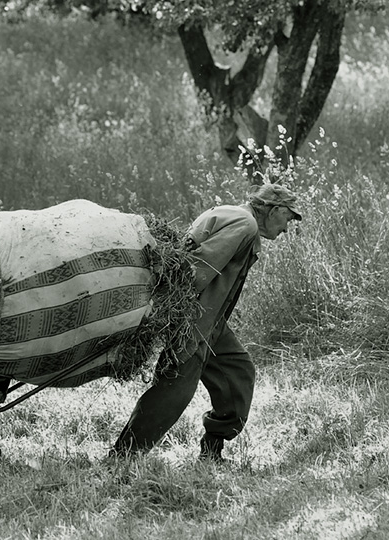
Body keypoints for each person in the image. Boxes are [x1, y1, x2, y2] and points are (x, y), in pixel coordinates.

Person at [110, 183, 302, 462]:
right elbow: (201, 266)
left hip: (212, 321)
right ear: (273, 211)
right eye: (287, 218)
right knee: (175, 389)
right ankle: (124, 455)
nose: (287, 228)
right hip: (195, 318)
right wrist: (172, 314)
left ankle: (212, 451)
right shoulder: (244, 225)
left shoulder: (229, 212)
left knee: (238, 371)